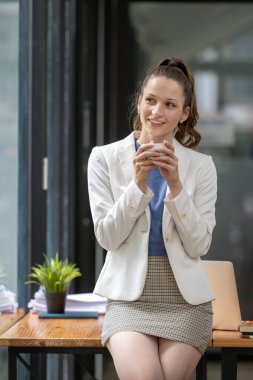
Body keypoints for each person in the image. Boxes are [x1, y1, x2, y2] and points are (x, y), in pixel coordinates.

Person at [87, 57, 217, 380]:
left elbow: (200, 243)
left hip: (185, 301)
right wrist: (138, 183)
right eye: (151, 100)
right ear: (140, 100)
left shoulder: (201, 167)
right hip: (128, 301)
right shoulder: (104, 158)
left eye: (170, 104)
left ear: (184, 113)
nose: (157, 112)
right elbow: (107, 237)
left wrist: (175, 185)